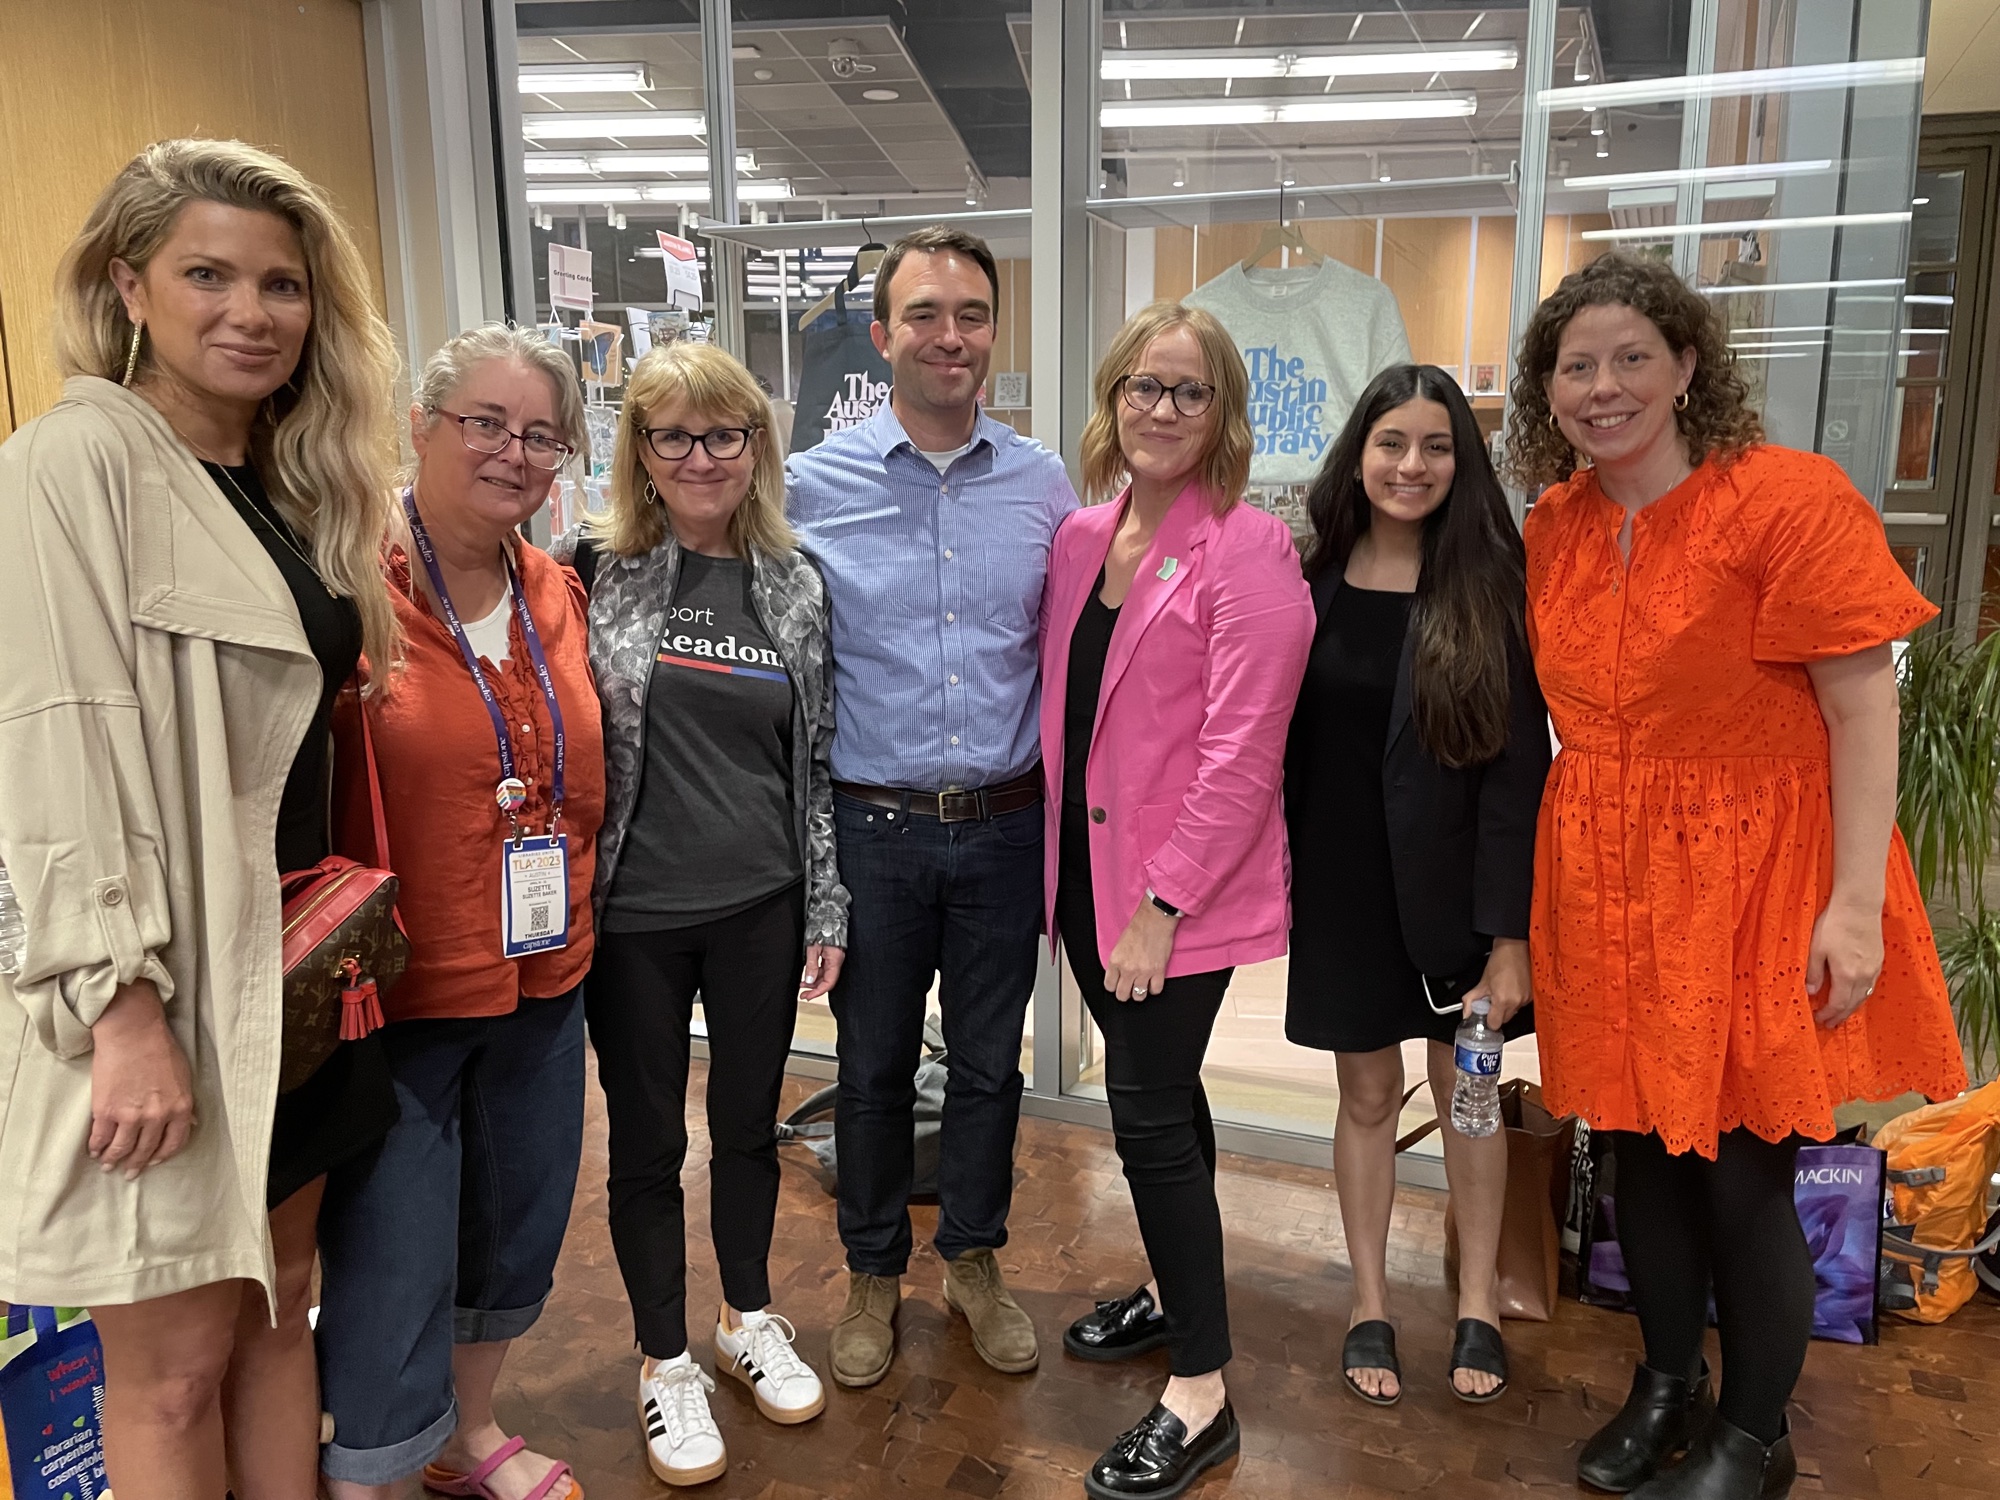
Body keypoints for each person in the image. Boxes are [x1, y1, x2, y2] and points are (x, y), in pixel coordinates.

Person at [1504, 252, 1968, 1500]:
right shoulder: (1554, 525)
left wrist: (1852, 907)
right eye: (1574, 367)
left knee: (1742, 1166)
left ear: (1686, 366)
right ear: (1546, 392)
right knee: (1637, 1149)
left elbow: (1860, 707)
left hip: (1753, 877)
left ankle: (1755, 1432)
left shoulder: (1784, 500)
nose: (1601, 388)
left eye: (1629, 359)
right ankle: (1666, 1384)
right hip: (1605, 875)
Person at [0, 137, 399, 1499]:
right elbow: (52, 752)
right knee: (170, 1377)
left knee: (281, 1308)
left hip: (291, 983)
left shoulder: (285, 481)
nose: (251, 312)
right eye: (207, 276)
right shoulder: (71, 465)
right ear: (129, 286)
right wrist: (119, 1014)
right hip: (167, 996)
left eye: (280, 284)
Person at [315, 324, 605, 1500]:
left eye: (539, 434)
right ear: (420, 426)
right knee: (394, 1251)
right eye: (484, 423)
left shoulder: (554, 589)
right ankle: (370, 1472)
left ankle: (464, 1436)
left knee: (513, 1225)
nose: (511, 453)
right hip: (398, 990)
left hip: (544, 975)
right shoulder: (347, 585)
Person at [786, 225, 1079, 1388]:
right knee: (867, 1069)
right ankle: (871, 1272)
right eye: (922, 314)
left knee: (989, 1068)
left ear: (992, 333)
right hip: (876, 831)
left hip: (1005, 825)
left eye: (968, 315)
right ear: (881, 335)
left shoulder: (1042, 485)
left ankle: (970, 1257)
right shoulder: (812, 486)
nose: (947, 336)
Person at [550, 342, 843, 1485]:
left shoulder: (795, 582)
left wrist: (825, 902)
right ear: (639, 451)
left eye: (723, 433)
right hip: (633, 915)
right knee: (647, 1142)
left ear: (755, 446)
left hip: (759, 905)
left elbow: (814, 762)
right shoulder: (590, 572)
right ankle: (664, 1356)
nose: (700, 457)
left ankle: (746, 1317)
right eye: (671, 435)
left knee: (746, 1127)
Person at [1042, 301, 1312, 1499]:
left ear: (1221, 414)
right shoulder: (1079, 538)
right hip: (1081, 883)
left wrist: (1160, 906)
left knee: (1146, 1115)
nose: (1160, 409)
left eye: (1187, 391)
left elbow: (1243, 756)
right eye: (1142, 387)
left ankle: (1200, 1392)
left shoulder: (1248, 551)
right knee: (1166, 1101)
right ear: (1112, 399)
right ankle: (1169, 1291)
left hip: (1171, 906)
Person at [1284, 365, 1549, 1408]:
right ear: (1358, 454)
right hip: (1343, 889)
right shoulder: (1309, 577)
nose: (1411, 465)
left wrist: (1508, 936)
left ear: (1460, 461)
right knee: (1363, 1098)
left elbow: (1516, 778)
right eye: (1391, 443)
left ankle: (1478, 1301)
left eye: (1435, 446)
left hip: (1457, 899)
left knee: (1466, 1101)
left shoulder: (1489, 586)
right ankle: (1369, 1303)